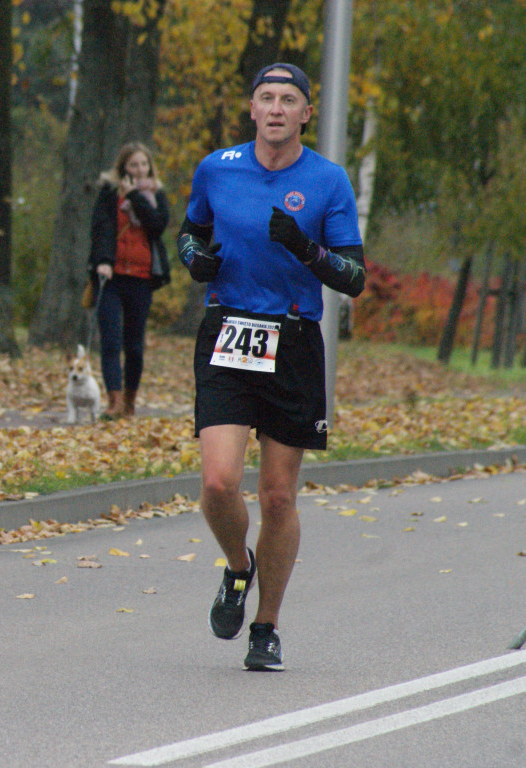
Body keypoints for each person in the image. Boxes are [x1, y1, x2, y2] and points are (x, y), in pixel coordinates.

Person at [177, 63, 365, 670]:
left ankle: (266, 627)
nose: (277, 108)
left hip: (293, 339)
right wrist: (196, 260)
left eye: (289, 99)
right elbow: (189, 232)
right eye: (267, 98)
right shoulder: (218, 168)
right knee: (218, 483)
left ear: (307, 112)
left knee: (278, 498)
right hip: (228, 331)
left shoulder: (328, 181)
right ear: (252, 109)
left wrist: (306, 249)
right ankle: (238, 568)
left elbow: (354, 276)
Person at [87, 141, 171, 419]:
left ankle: (130, 401)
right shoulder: (109, 192)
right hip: (111, 277)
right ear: (123, 167)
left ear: (149, 166)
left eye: (143, 164)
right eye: (133, 164)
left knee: (134, 346)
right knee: (110, 341)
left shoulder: (156, 195)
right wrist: (103, 261)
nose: (139, 169)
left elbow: (158, 225)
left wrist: (135, 197)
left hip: (142, 278)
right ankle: (114, 402)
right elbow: (100, 227)